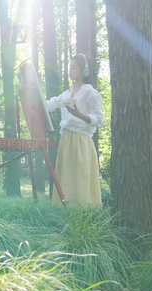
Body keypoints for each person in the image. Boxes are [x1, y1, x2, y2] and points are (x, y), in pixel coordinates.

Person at [45, 53, 103, 207]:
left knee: (81, 176)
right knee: (66, 177)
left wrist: (79, 115)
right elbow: (49, 104)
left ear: (84, 71)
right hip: (66, 139)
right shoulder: (67, 94)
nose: (70, 71)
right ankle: (65, 212)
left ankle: (82, 212)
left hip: (82, 139)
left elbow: (98, 119)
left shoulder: (90, 92)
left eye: (74, 68)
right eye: (69, 68)